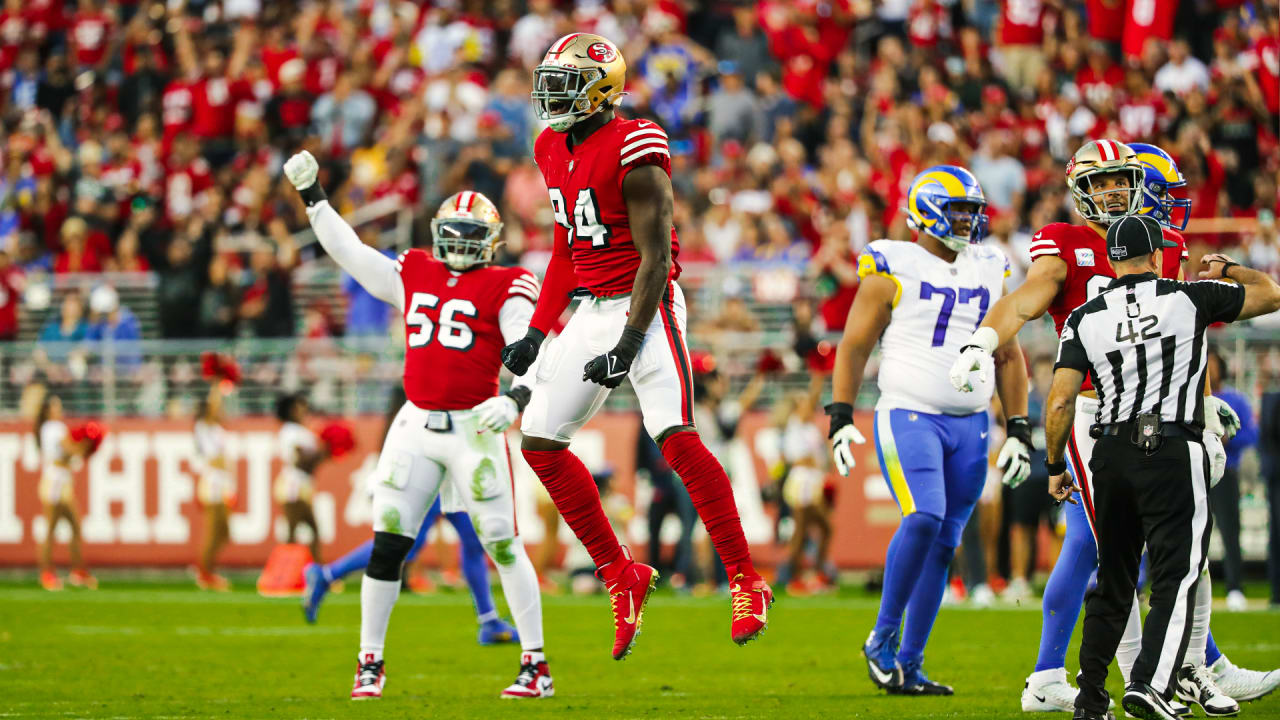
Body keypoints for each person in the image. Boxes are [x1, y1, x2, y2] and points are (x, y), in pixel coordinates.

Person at [949, 139, 1279, 709]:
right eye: (1099, 184)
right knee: (1115, 549)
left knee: (1179, 545)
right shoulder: (1065, 244)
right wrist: (984, 338)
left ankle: (1188, 665)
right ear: (1081, 192)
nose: (1111, 192)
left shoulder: (1163, 243)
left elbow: (1181, 337)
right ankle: (1144, 678)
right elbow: (1026, 300)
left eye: (1118, 181)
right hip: (1094, 414)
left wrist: (1199, 404)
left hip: (1165, 411)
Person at [499, 33, 771, 660]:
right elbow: (572, 248)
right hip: (592, 307)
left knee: (674, 435)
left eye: (564, 82)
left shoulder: (635, 144)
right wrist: (539, 333)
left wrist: (628, 342)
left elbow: (657, 258)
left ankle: (743, 578)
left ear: (601, 91)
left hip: (645, 304)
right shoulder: (550, 146)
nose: (550, 95)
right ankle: (621, 573)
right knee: (539, 440)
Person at [284, 150, 551, 700]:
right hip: (415, 424)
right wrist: (313, 197)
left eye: (470, 232)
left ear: (492, 240)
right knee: (388, 542)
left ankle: (535, 665)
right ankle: (370, 661)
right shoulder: (415, 270)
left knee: (502, 543)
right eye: (452, 230)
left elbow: (533, 346)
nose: (459, 240)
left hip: (475, 425)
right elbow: (351, 252)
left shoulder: (508, 283)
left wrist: (518, 396)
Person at [1044, 218, 1280, 720]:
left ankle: (1091, 698)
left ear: (1111, 263)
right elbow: (1271, 294)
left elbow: (1062, 400)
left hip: (1107, 451)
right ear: (1157, 257)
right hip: (1170, 447)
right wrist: (1229, 268)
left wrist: (1053, 464)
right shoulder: (1188, 296)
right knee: (1178, 573)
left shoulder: (1084, 316)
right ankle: (1151, 682)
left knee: (1114, 580)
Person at [826, 166, 1030, 695]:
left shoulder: (989, 265)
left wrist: (1021, 426)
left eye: (972, 211)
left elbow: (1008, 353)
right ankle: (882, 638)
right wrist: (841, 415)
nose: (967, 221)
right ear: (925, 209)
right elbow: (853, 345)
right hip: (909, 411)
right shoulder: (893, 262)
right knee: (925, 515)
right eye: (958, 210)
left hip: (972, 423)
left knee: (946, 542)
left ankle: (909, 665)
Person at [301, 384, 520, 646]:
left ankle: (489, 620)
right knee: (407, 543)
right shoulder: (422, 396)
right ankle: (327, 575)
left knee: (469, 539)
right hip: (432, 473)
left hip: (445, 471)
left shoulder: (418, 396)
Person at [1205, 347, 1257, 611]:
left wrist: (1229, 438)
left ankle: (1235, 586)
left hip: (1226, 473)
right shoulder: (1191, 399)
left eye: (1213, 364)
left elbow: (1251, 435)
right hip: (1195, 474)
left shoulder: (1234, 400)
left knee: (1229, 531)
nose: (1210, 370)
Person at [34, 390, 100, 591]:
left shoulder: (46, 428)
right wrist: (88, 443)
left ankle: (77, 570)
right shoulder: (54, 427)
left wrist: (81, 449)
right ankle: (47, 573)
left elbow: (66, 453)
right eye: (55, 406)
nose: (59, 409)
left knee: (74, 526)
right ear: (48, 411)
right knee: (53, 528)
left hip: (59, 479)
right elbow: (70, 449)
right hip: (55, 481)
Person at [274, 392, 327, 565]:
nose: (303, 409)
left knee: (301, 530)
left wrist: (324, 452)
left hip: (302, 484)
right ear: (290, 410)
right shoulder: (290, 431)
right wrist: (324, 451)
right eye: (298, 406)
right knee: (300, 529)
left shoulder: (300, 430)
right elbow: (301, 461)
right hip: (293, 485)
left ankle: (308, 570)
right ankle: (288, 571)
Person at [194, 379, 235, 591]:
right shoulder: (204, 427)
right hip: (212, 484)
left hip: (223, 484)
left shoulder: (216, 429)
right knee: (212, 531)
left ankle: (206, 568)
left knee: (224, 532)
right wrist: (218, 383)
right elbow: (214, 405)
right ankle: (205, 573)